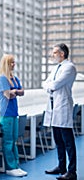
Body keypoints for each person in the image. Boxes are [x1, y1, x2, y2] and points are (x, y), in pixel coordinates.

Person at [43, 43, 77, 180]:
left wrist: (50, 86)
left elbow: (55, 85)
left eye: (55, 52)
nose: (53, 55)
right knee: (58, 140)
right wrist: (49, 86)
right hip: (53, 107)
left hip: (62, 107)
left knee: (68, 141)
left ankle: (72, 171)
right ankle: (61, 167)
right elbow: (45, 83)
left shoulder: (69, 67)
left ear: (62, 54)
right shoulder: (57, 68)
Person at [0, 54, 27, 177]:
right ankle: (10, 167)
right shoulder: (2, 79)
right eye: (11, 63)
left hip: (14, 113)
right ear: (6, 64)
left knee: (14, 140)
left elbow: (22, 92)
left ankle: (15, 165)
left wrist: (14, 91)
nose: (14, 65)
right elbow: (8, 95)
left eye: (14, 62)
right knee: (8, 141)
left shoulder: (14, 79)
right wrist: (14, 92)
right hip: (6, 114)